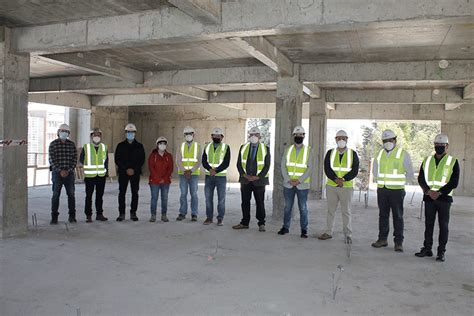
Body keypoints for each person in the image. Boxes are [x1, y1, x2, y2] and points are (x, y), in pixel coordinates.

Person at [415, 134, 459, 262]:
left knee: (443, 226)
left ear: (447, 146)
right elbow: (421, 178)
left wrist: (439, 192)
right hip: (429, 198)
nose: (439, 147)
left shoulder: (453, 161)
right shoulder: (427, 160)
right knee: (429, 225)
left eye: (442, 145)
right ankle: (427, 248)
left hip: (444, 199)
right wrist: (428, 191)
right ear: (434, 145)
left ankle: (441, 252)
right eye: (437, 145)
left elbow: (454, 181)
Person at [371, 129, 414, 252]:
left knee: (398, 216)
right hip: (382, 190)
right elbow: (375, 170)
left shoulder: (403, 153)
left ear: (395, 140)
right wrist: (379, 181)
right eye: (385, 141)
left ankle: (398, 242)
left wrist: (401, 183)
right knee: (383, 215)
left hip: (397, 191)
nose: (388, 142)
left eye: (390, 140)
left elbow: (410, 172)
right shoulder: (379, 154)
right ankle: (382, 239)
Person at [319, 130, 359, 244]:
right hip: (332, 186)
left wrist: (344, 179)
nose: (341, 140)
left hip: (346, 187)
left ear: (347, 139)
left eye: (344, 138)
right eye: (339, 138)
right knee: (330, 210)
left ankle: (348, 234)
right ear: (335, 139)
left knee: (346, 211)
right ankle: (328, 232)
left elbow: (355, 170)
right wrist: (335, 179)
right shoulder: (330, 153)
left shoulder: (352, 154)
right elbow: (327, 168)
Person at [233, 126, 271, 232]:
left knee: (260, 202)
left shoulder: (265, 148)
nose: (253, 137)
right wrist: (244, 175)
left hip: (259, 181)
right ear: (249, 136)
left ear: (260, 136)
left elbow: (267, 165)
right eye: (252, 135)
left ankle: (261, 223)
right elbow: (239, 164)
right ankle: (245, 222)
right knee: (245, 202)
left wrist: (257, 176)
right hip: (245, 180)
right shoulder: (243, 147)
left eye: (256, 135)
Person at [278, 126, 313, 238]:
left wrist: (299, 181)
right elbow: (283, 166)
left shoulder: (308, 151)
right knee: (287, 207)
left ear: (304, 136)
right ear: (293, 136)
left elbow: (310, 168)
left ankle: (304, 230)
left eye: (301, 135)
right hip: (288, 184)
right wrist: (288, 180)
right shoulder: (288, 150)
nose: (299, 137)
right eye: (296, 135)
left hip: (302, 185)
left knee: (303, 208)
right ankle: (285, 227)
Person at [114, 123, 145, 222]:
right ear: (125, 133)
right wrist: (126, 169)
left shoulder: (139, 146)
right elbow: (117, 159)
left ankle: (133, 213)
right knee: (122, 193)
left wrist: (134, 169)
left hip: (135, 174)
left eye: (132, 132)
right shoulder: (120, 146)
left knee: (134, 193)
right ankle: (121, 213)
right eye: (128, 132)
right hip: (123, 173)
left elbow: (142, 160)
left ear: (135, 133)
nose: (130, 134)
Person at [49, 123, 77, 224]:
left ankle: (72, 216)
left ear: (68, 133)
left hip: (69, 174)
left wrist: (68, 170)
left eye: (66, 132)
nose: (64, 133)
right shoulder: (53, 144)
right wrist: (60, 170)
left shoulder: (71, 145)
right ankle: (54, 217)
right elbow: (52, 160)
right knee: (56, 195)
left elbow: (74, 159)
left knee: (71, 195)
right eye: (62, 131)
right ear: (58, 132)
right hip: (57, 174)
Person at [202, 128, 231, 226]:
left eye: (218, 136)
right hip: (209, 176)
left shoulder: (226, 147)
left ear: (222, 137)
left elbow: (226, 162)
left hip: (221, 177)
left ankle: (220, 218)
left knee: (221, 199)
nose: (216, 137)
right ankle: (209, 218)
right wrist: (210, 170)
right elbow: (204, 161)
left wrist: (216, 171)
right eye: (215, 135)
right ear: (211, 136)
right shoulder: (207, 147)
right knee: (208, 198)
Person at [79, 127, 109, 223]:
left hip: (101, 175)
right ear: (91, 136)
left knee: (99, 196)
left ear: (101, 136)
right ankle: (88, 215)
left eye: (98, 135)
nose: (96, 136)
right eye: (94, 135)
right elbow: (81, 161)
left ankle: (99, 214)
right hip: (90, 176)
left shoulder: (104, 147)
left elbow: (106, 161)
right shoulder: (86, 147)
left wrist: (106, 172)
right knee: (89, 196)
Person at [176, 126, 202, 222]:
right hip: (183, 174)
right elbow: (178, 161)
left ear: (193, 134)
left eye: (190, 133)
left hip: (194, 174)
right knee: (183, 194)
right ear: (184, 135)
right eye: (186, 134)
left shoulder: (198, 146)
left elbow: (199, 161)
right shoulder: (181, 146)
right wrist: (184, 171)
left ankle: (194, 214)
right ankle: (182, 213)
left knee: (194, 194)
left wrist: (191, 171)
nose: (188, 135)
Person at [148, 136, 173, 222]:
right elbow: (151, 168)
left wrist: (164, 178)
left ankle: (164, 215)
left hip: (165, 182)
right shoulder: (153, 156)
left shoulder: (169, 156)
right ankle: (153, 215)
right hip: (154, 181)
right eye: (160, 143)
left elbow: (170, 169)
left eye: (164, 144)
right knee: (154, 198)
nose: (162, 145)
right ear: (157, 145)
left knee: (164, 198)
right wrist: (158, 178)